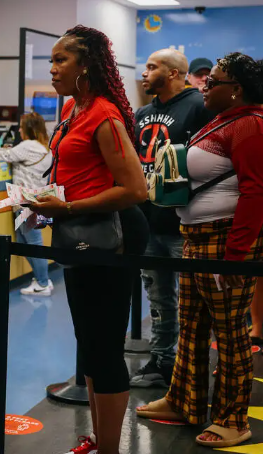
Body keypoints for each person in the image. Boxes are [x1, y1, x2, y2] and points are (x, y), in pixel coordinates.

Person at [31, 25, 147, 454]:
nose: (52, 68)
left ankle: (111, 449)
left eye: (61, 60)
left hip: (111, 235)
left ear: (86, 66)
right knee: (90, 346)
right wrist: (45, 202)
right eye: (52, 60)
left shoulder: (104, 115)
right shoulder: (71, 110)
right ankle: (101, 440)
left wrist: (69, 208)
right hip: (80, 233)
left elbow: (136, 189)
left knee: (105, 348)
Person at [137, 53, 263, 449]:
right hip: (197, 239)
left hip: (224, 242)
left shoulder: (250, 124)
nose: (204, 85)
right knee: (192, 326)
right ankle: (184, 401)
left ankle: (232, 419)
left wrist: (235, 257)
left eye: (214, 81)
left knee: (230, 333)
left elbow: (255, 193)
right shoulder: (222, 120)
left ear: (236, 89)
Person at [130, 49, 216, 388]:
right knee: (159, 298)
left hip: (184, 223)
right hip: (148, 221)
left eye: (152, 67)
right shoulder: (142, 113)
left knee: (194, 302)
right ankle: (162, 361)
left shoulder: (199, 107)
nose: (145, 73)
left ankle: (189, 367)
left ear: (174, 73)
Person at [0, 112, 54, 296]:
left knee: (33, 243)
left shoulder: (28, 146)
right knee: (22, 241)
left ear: (29, 129)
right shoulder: (45, 148)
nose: (18, 130)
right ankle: (42, 279)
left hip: (26, 203)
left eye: (21, 126)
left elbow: (3, 155)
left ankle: (42, 283)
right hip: (37, 200)